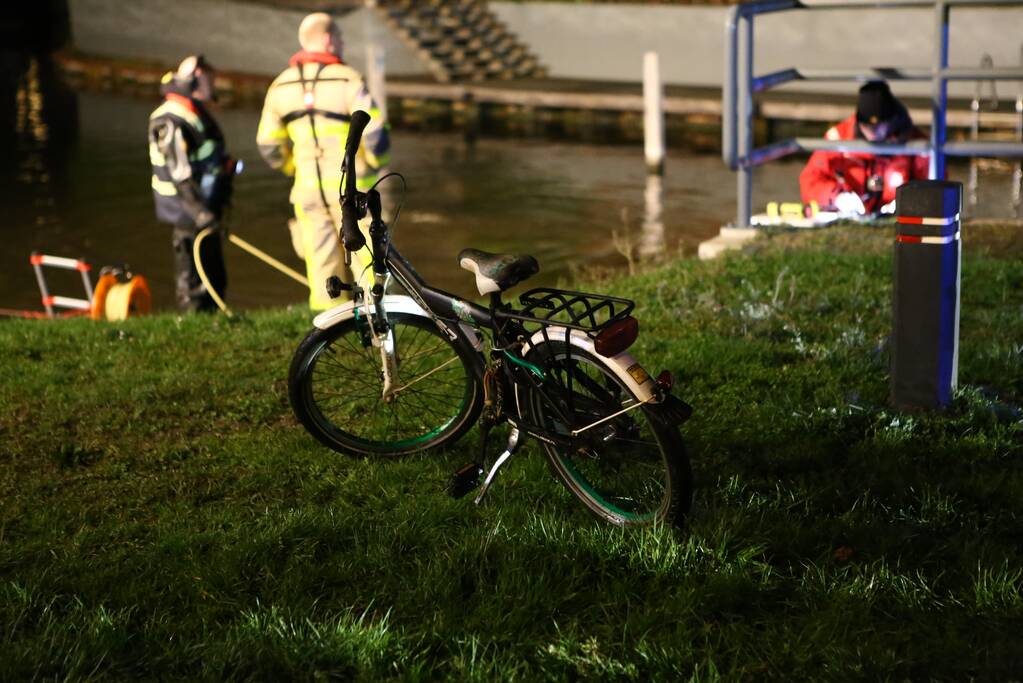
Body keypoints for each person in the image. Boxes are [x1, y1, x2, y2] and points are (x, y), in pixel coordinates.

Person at [257, 12, 390, 311]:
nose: (342, 44)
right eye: (340, 38)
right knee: (368, 260)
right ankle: (378, 321)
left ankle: (329, 334)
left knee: (322, 269)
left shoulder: (280, 86)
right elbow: (376, 135)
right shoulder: (347, 80)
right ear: (329, 40)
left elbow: (268, 146)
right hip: (351, 191)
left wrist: (294, 167)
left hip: (308, 192)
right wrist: (376, 163)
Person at [148, 55, 233, 312]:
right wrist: (200, 212)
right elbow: (179, 173)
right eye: (209, 80)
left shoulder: (192, 111)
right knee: (192, 275)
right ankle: (192, 319)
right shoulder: (170, 118)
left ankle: (214, 316)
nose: (213, 85)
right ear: (194, 80)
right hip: (188, 212)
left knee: (215, 273)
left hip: (206, 208)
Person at [800, 80, 929, 216]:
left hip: (898, 221)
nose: (872, 132)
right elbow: (810, 180)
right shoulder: (838, 138)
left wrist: (909, 202)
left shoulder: (916, 145)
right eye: (866, 126)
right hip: (850, 220)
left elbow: (933, 189)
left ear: (892, 121)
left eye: (878, 126)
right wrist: (837, 197)